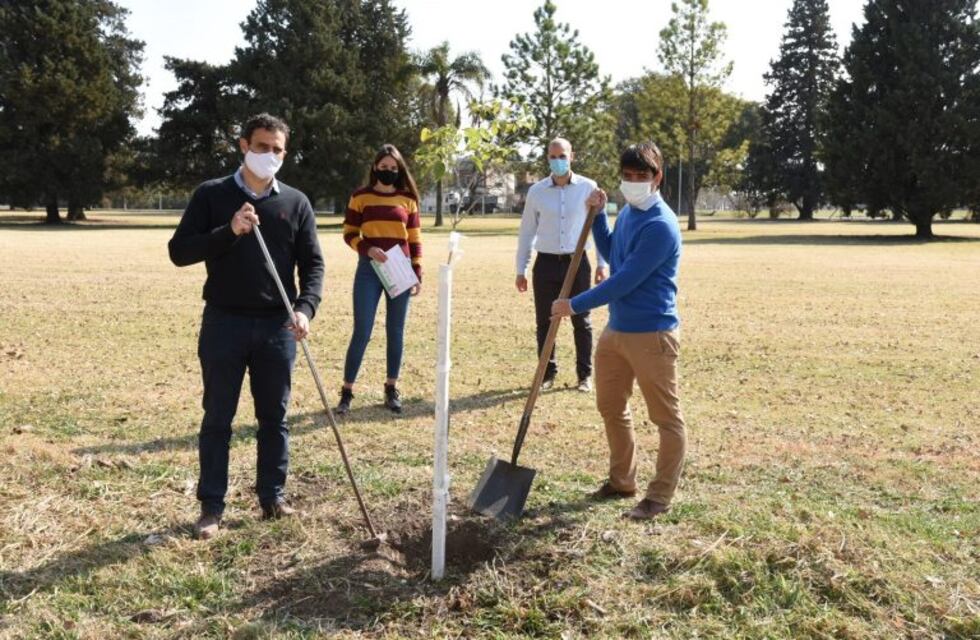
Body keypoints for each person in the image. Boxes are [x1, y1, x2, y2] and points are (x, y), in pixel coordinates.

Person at [168, 113, 324, 540]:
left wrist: (305, 308)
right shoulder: (212, 195)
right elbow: (179, 251)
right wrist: (229, 230)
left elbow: (313, 265)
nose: (268, 155)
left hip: (277, 326)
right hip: (224, 322)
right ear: (243, 145)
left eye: (276, 149)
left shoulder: (296, 203)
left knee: (274, 417)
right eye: (260, 147)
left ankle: (272, 496)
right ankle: (211, 507)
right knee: (218, 416)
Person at [551, 142, 686, 521]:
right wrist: (597, 216)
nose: (633, 183)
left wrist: (574, 305)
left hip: (652, 334)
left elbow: (625, 279)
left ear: (657, 178)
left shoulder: (661, 225)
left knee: (666, 419)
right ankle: (622, 481)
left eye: (641, 177)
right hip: (617, 330)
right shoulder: (629, 213)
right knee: (611, 406)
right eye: (627, 177)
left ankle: (659, 497)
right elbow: (611, 253)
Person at [516, 137, 608, 392]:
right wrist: (520, 270)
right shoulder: (537, 192)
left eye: (563, 156)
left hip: (577, 262)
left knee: (582, 320)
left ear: (572, 156)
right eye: (553, 157)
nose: (558, 161)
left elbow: (597, 224)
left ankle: (584, 376)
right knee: (545, 321)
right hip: (545, 263)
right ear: (548, 158)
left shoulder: (588, 187)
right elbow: (526, 232)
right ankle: (547, 373)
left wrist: (602, 263)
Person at [336, 144, 422, 415]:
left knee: (395, 331)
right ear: (375, 168)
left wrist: (417, 272)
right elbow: (349, 232)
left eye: (393, 168)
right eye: (383, 167)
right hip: (369, 269)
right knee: (362, 330)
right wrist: (367, 249)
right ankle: (347, 392)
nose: (388, 172)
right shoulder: (360, 196)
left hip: (400, 269)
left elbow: (415, 239)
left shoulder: (408, 199)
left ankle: (391, 388)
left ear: (399, 170)